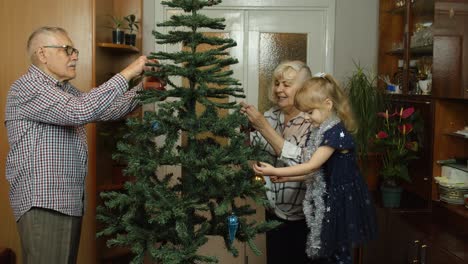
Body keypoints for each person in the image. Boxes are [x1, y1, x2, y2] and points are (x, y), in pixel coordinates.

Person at [4, 26, 158, 263]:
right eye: (67, 50)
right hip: (45, 202)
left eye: (74, 50)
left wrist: (143, 89)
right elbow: (80, 110)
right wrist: (129, 72)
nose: (75, 55)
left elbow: (106, 109)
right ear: (43, 54)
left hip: (64, 201)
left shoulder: (63, 91)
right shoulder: (29, 87)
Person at [253, 73, 378, 264]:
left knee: (337, 252)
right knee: (326, 252)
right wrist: (288, 179)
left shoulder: (336, 133)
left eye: (310, 112)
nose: (307, 118)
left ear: (328, 104)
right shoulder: (322, 130)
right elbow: (317, 174)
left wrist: (275, 171)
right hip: (329, 196)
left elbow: (312, 165)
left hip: (339, 200)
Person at [240, 60, 314, 264]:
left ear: (304, 89)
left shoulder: (313, 121)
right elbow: (251, 150)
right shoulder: (270, 116)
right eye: (277, 83)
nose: (279, 89)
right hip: (273, 213)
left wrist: (263, 127)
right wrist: (245, 130)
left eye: (287, 85)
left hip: (305, 219)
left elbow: (305, 165)